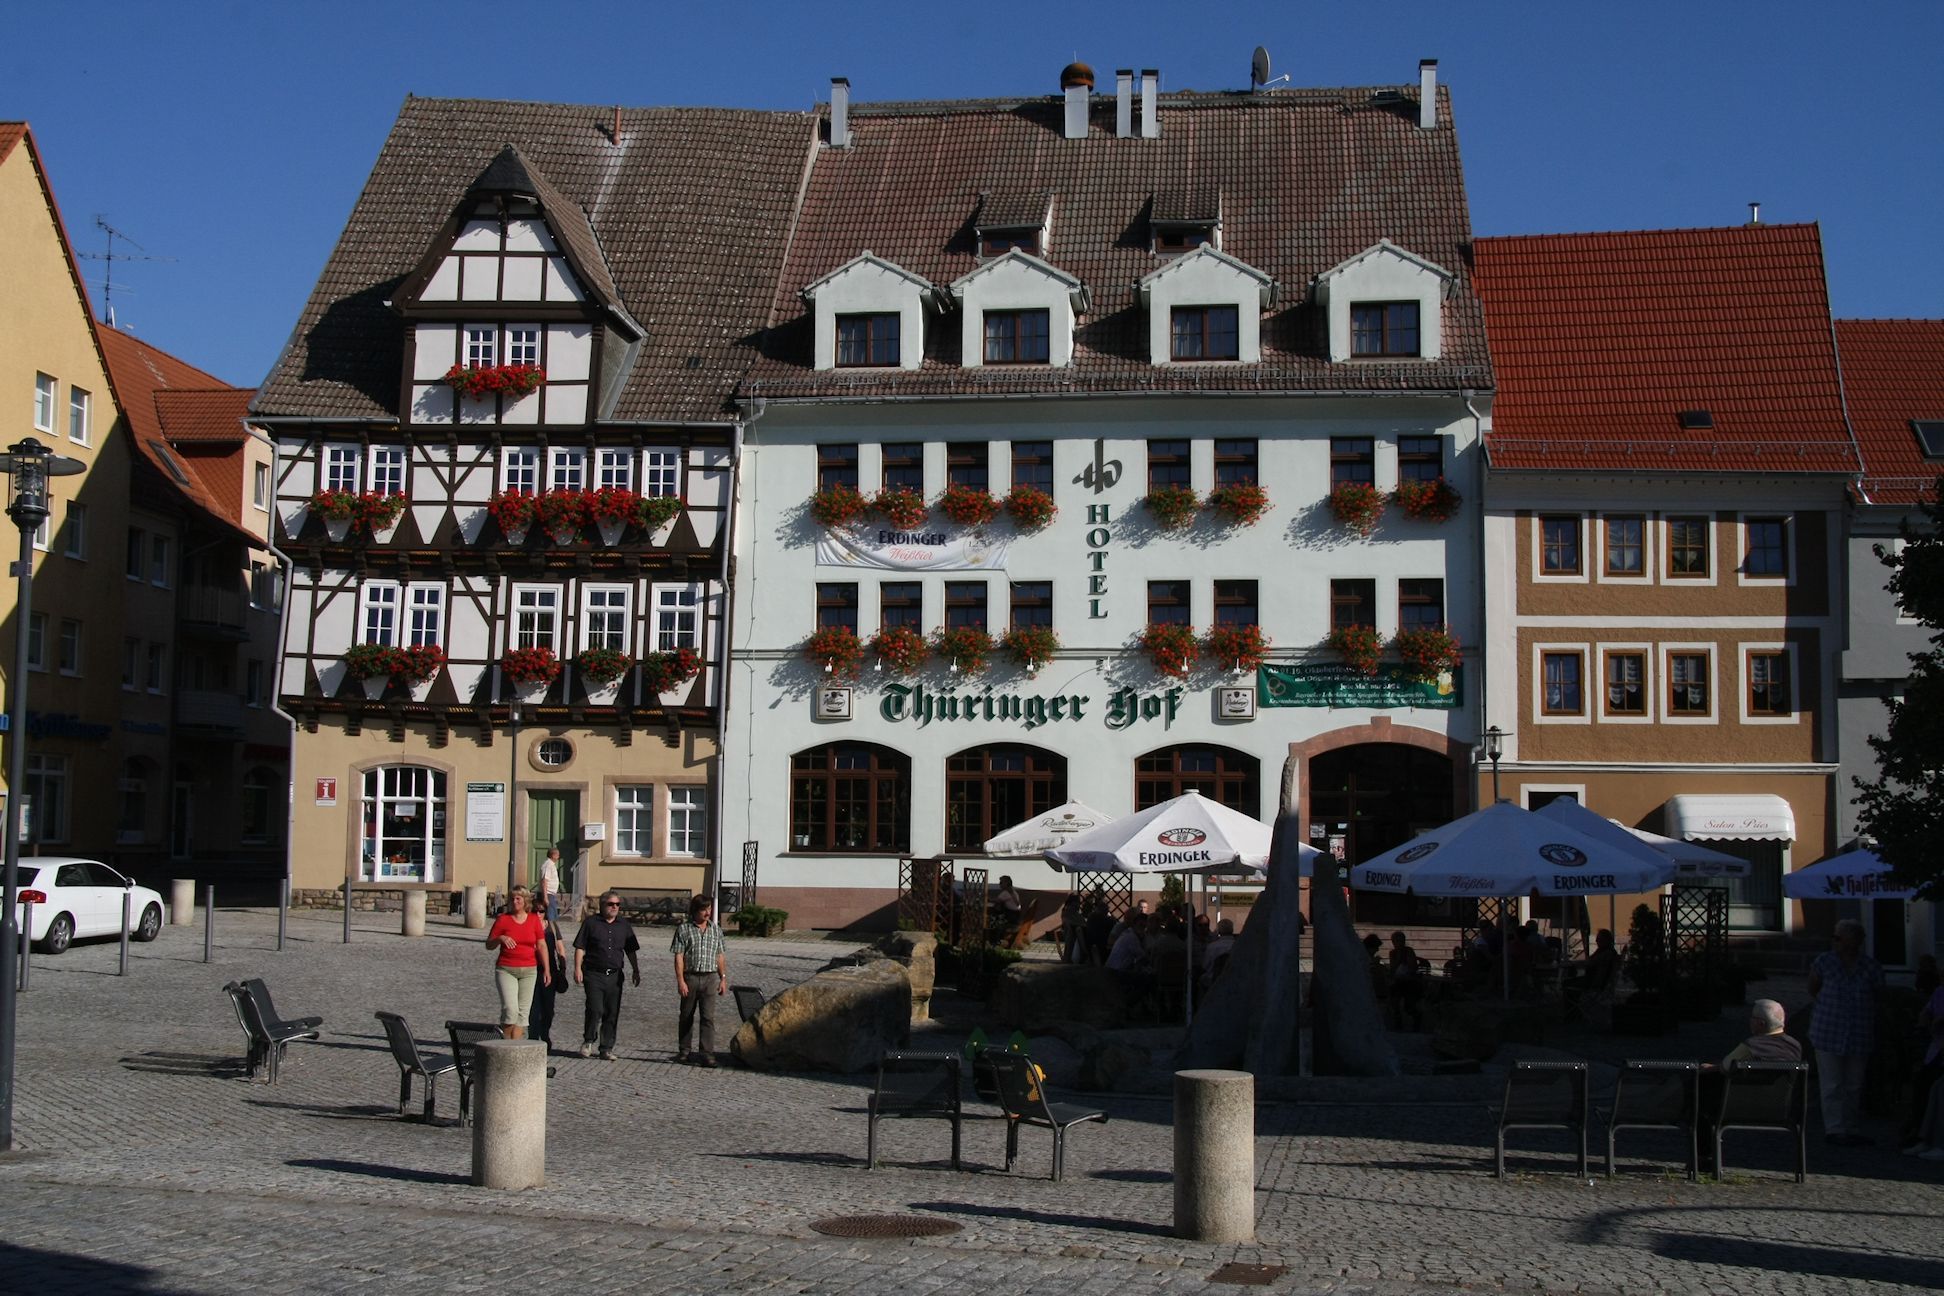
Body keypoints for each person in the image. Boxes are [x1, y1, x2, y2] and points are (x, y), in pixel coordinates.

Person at [1806, 918, 1885, 1146]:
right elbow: (1813, 988)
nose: (1835, 941)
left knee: (1854, 1084)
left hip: (1859, 1033)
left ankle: (1851, 1127)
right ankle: (1834, 1128)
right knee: (1832, 1084)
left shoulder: (1870, 966)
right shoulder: (1824, 962)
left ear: (1855, 941)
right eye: (1835, 937)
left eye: (1839, 938)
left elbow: (1879, 996)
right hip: (1828, 1031)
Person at [572, 890, 641, 1060]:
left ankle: (606, 1047)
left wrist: (636, 969)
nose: (614, 907)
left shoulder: (624, 925)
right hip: (594, 974)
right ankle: (588, 1040)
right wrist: (577, 968)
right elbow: (580, 947)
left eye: (617, 904)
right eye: (611, 904)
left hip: (615, 976)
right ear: (602, 905)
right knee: (595, 1009)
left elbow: (631, 950)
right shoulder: (591, 923)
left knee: (611, 1012)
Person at [485, 885, 550, 1039]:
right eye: (512, 898)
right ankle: (505, 1045)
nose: (515, 901)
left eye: (518, 898)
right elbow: (489, 945)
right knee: (510, 1010)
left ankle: (516, 1047)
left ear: (525, 900)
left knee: (522, 1014)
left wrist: (547, 969)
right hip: (506, 969)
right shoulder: (503, 920)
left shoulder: (533, 920)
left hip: (529, 971)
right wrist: (500, 938)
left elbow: (541, 945)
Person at [670, 894, 728, 1066]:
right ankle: (684, 1051)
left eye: (709, 908)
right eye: (704, 909)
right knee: (686, 1015)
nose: (707, 912)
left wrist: (723, 978)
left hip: (710, 978)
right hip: (691, 977)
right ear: (695, 910)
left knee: (708, 1017)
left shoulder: (716, 930)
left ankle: (706, 1053)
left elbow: (720, 956)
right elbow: (679, 957)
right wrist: (680, 980)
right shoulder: (684, 929)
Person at [1899, 974, 1944, 1154]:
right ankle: (1921, 1135)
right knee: (1923, 1085)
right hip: (1936, 1051)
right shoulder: (1940, 993)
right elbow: (1925, 1015)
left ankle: (1935, 1140)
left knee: (1937, 1088)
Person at [526, 905, 567, 1052]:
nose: (538, 914)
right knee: (534, 1009)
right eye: (535, 911)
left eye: (541, 911)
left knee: (548, 1009)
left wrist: (563, 968)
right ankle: (533, 1038)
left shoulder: (552, 926)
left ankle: (545, 1033)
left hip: (551, 972)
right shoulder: (528, 925)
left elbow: (560, 948)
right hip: (532, 970)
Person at [1724, 999, 1803, 1065]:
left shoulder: (1751, 1046)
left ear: (1761, 1023)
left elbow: (1726, 1066)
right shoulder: (1795, 1045)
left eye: (1753, 1017)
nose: (1750, 1020)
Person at [1388, 931, 1425, 1031]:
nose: (1398, 943)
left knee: (1409, 1005)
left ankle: (1416, 1019)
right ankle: (1398, 1023)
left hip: (1410, 982)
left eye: (1400, 941)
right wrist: (1398, 959)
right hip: (1398, 982)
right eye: (1396, 941)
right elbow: (1393, 969)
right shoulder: (1393, 953)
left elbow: (1413, 967)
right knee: (1395, 1000)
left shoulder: (1408, 951)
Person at [538, 847, 563, 921]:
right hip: (548, 894)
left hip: (551, 894)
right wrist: (545, 897)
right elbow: (544, 881)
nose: (558, 857)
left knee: (553, 915)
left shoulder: (551, 865)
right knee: (550, 917)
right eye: (557, 855)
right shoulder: (548, 865)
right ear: (553, 855)